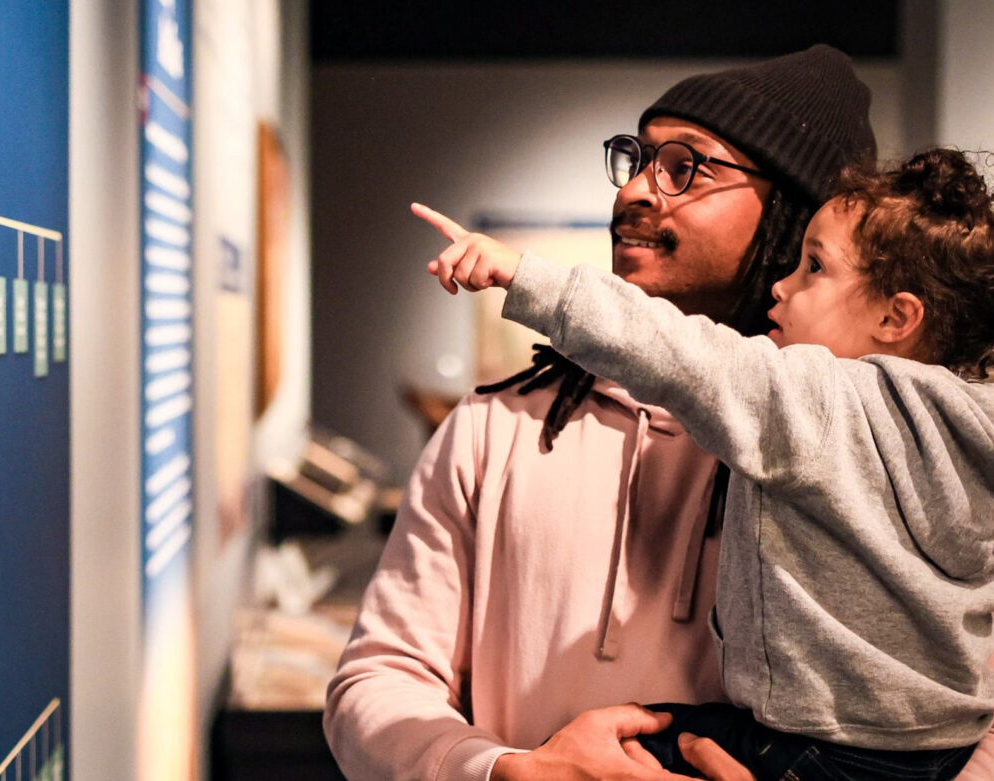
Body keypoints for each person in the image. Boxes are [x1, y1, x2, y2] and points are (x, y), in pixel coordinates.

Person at [323, 46, 993, 780]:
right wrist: (499, 769)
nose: (637, 189)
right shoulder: (491, 426)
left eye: (685, 166)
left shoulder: (885, 450)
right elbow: (375, 679)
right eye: (638, 159)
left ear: (792, 210)